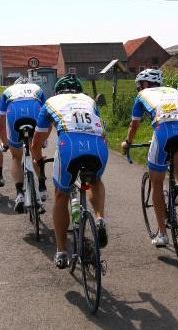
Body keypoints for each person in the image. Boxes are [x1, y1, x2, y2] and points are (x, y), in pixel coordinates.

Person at [31, 74, 109, 269]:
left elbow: (38, 140)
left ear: (58, 91)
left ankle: (61, 251)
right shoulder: (89, 101)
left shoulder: (50, 102)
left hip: (70, 147)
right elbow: (102, 130)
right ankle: (99, 218)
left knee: (60, 195)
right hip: (98, 146)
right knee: (95, 180)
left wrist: (37, 158)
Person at [121, 69, 178, 247]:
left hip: (162, 133)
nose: (139, 89)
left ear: (145, 84)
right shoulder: (174, 91)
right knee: (176, 147)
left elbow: (134, 124)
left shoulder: (142, 95)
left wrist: (127, 142)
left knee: (156, 183)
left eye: (139, 85)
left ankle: (162, 234)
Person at [0, 77, 47, 213]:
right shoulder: (37, 89)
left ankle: (20, 193)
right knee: (36, 151)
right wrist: (43, 139)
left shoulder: (8, 91)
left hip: (15, 113)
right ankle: (42, 187)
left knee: (16, 157)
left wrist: (4, 142)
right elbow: (47, 115)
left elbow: (1, 122)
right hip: (35, 111)